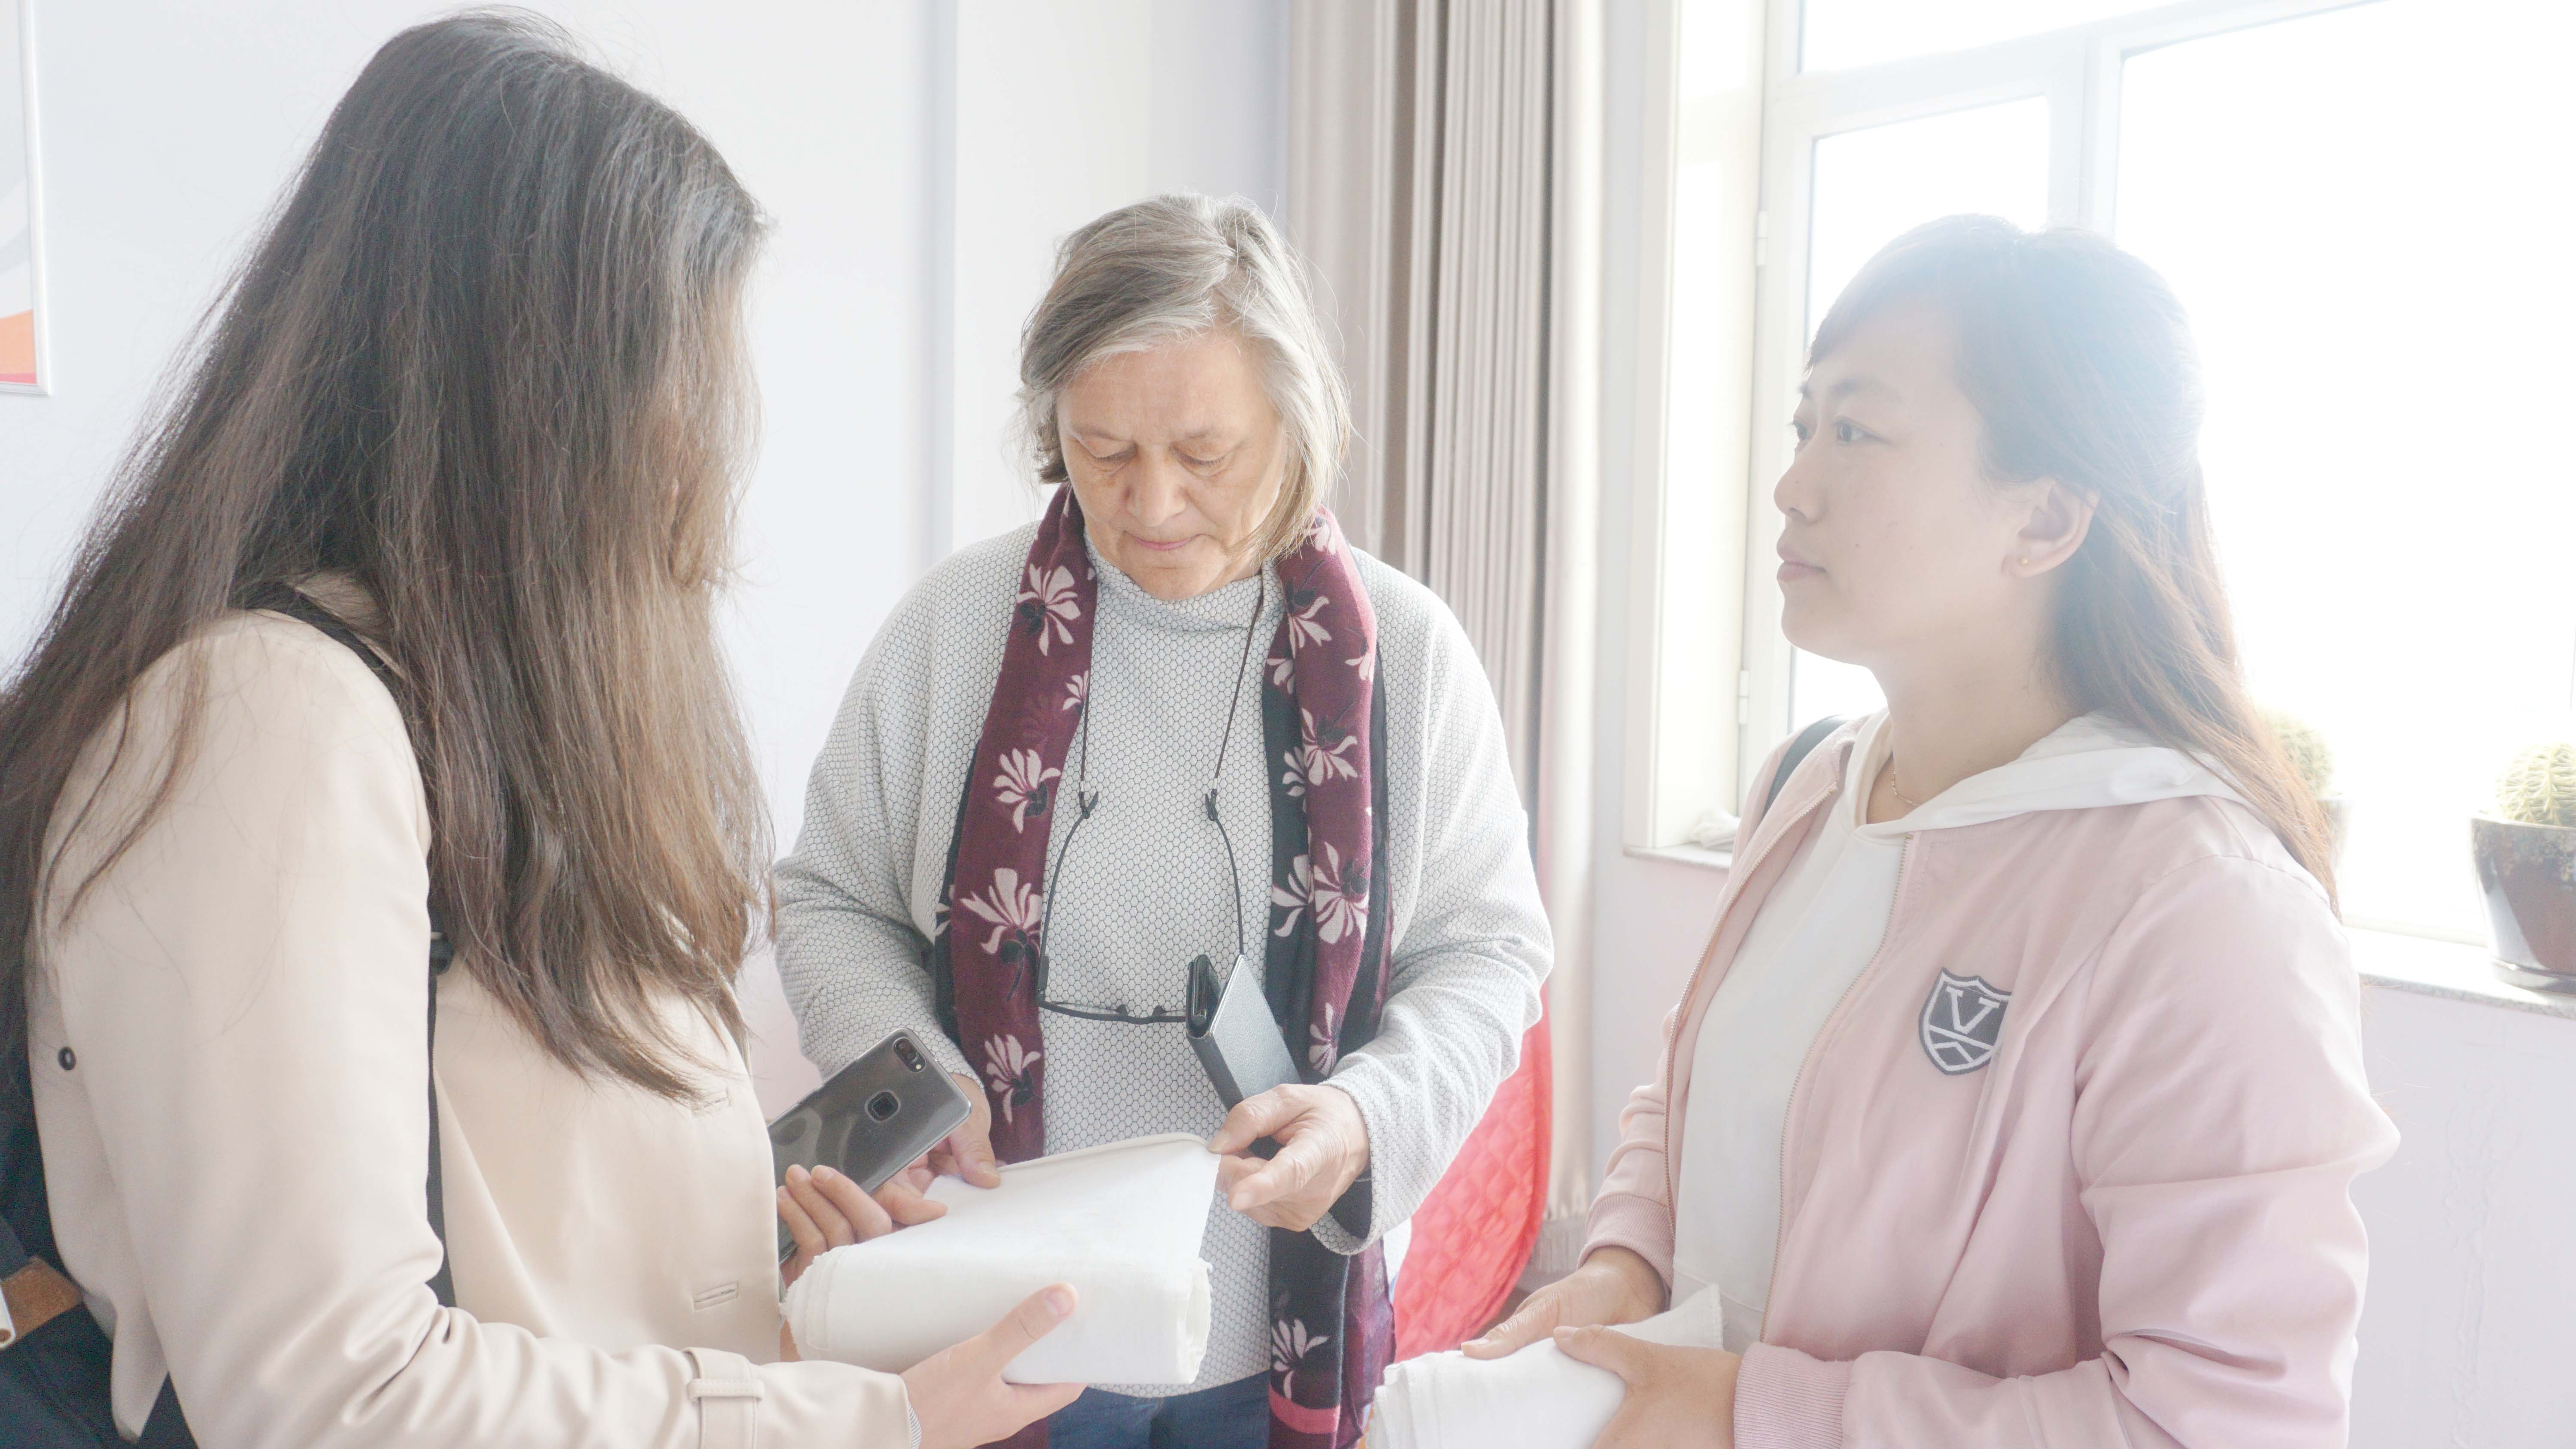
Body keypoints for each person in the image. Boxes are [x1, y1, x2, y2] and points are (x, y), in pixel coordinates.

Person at [0, 15, 1072, 1449]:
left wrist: (752, 1255)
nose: (702, 452)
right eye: (683, 379)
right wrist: (869, 1423)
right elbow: (328, 1392)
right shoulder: (275, 721)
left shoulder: (464, 711)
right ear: (541, 401)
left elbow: (517, 1216)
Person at [1467, 216, 2397, 1447]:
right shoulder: (1808, 786)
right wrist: (1625, 1267)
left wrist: (1758, 1416)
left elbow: (2226, 1422)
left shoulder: (2202, 907)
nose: (1793, 485)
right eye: (1803, 426)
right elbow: (1691, 1091)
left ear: (2044, 521)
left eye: (1857, 432)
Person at [772, 193, 1552, 1448]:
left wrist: (1366, 1118)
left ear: (1295, 423)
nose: (1152, 503)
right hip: (997, 1312)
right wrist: (916, 1076)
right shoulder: (954, 628)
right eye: (1103, 451)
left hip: (1269, 1328)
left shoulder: (1406, 656)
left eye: (1205, 453)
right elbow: (829, 898)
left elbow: (1489, 954)